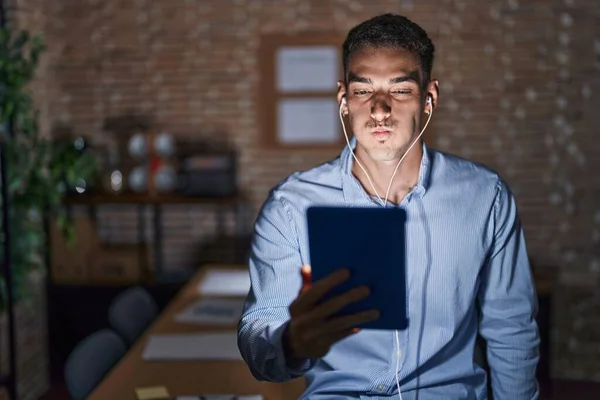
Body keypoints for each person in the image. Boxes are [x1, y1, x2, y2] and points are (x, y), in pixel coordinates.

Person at [237, 13, 540, 400]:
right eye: (364, 91)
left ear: (428, 99)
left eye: (399, 91)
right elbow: (258, 336)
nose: (380, 110)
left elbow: (511, 327)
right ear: (343, 100)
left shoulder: (486, 196)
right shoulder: (290, 206)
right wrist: (292, 343)